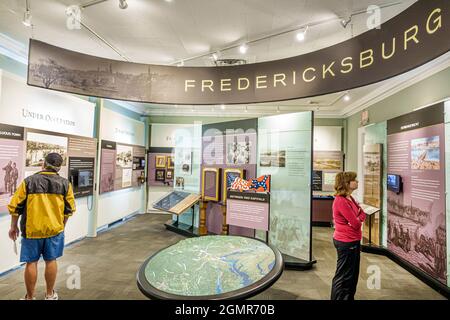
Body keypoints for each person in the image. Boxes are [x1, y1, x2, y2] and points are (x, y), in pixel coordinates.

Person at [8, 153, 76, 300]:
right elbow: (69, 209)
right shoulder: (65, 184)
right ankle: (50, 294)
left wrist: (13, 226)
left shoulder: (29, 182)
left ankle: (30, 297)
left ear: (43, 164)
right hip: (54, 230)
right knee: (51, 260)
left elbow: (15, 206)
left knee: (31, 262)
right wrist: (61, 226)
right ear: (59, 167)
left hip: (32, 230)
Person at [330, 171, 366, 300]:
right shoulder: (341, 201)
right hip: (346, 242)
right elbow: (356, 223)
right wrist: (358, 217)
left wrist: (358, 216)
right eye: (354, 180)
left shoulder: (349, 198)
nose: (357, 182)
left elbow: (362, 214)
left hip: (353, 240)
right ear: (346, 183)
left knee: (352, 274)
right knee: (344, 276)